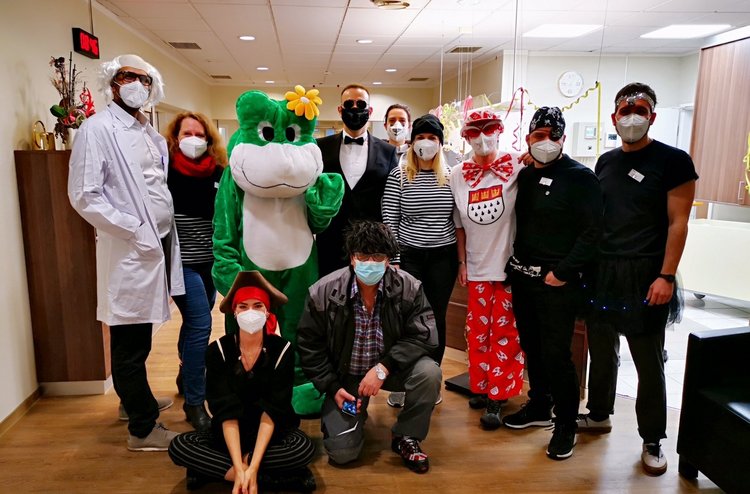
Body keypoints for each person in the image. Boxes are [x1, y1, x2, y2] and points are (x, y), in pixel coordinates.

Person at [577, 83, 698, 475]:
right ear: (614, 118)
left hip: (647, 274)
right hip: (603, 271)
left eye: (640, 110)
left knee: (648, 359)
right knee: (601, 347)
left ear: (652, 116)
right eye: (625, 111)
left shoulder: (674, 161)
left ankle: (652, 439)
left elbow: (678, 223)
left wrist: (666, 276)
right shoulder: (606, 162)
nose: (632, 117)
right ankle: (599, 414)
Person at [68, 54, 184, 451]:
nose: (137, 84)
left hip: (157, 243)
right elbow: (84, 195)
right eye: (128, 76)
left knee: (140, 336)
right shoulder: (97, 129)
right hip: (131, 248)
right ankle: (142, 428)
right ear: (113, 82)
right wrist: (133, 228)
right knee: (129, 342)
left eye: (144, 79)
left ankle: (134, 401)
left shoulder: (146, 131)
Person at [297, 221, 441, 473]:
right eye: (362, 256)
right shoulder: (323, 292)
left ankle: (407, 435)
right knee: (342, 453)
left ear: (388, 260)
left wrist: (383, 367)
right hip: (346, 378)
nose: (369, 262)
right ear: (352, 258)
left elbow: (424, 335)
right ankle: (353, 416)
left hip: (392, 368)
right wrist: (332, 387)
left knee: (429, 373)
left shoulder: (409, 287)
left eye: (377, 256)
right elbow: (309, 346)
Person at [502, 107, 603, 460]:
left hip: (557, 282)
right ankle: (539, 405)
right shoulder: (526, 174)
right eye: (539, 135)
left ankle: (566, 423)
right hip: (523, 278)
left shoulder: (581, 178)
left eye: (553, 136)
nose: (546, 142)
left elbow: (592, 232)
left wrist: (562, 272)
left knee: (557, 354)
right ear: (528, 138)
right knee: (531, 346)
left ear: (563, 139)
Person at [169, 271, 316, 493]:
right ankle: (258, 477)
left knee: (302, 448)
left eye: (258, 306)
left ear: (267, 312)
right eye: (243, 306)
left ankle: (221, 472)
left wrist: (252, 465)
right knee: (180, 445)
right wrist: (239, 467)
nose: (250, 312)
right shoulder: (218, 351)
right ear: (234, 312)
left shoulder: (282, 350)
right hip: (229, 431)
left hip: (270, 431)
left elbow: (273, 410)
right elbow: (226, 411)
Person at [449, 109, 525, 430]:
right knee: (477, 333)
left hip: (507, 267)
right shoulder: (457, 174)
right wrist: (462, 263)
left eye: (488, 129)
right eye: (474, 131)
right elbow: (459, 225)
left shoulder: (517, 164)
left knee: (504, 334)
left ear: (499, 130)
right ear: (466, 137)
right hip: (477, 266)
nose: (482, 137)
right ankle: (481, 386)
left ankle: (498, 395)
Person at [382, 114, 457, 408]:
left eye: (432, 138)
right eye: (421, 138)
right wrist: (395, 259)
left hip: (443, 257)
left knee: (436, 318)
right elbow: (390, 218)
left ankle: (430, 381)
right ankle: (402, 381)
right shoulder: (399, 175)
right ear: (412, 142)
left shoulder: (451, 176)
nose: (426, 143)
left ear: (440, 143)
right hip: (408, 256)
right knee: (405, 319)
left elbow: (458, 218)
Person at [164, 112, 228, 432]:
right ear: (175, 138)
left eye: (199, 134)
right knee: (201, 323)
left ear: (209, 139)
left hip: (209, 264)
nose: (193, 139)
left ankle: (184, 367)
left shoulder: (218, 172)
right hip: (181, 264)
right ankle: (194, 402)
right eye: (187, 133)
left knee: (193, 322)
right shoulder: (164, 171)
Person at [315, 84, 399, 277]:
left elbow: (393, 201)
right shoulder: (320, 147)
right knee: (330, 291)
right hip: (330, 239)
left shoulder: (388, 151)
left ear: (370, 110)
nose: (354, 108)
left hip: (372, 244)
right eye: (348, 104)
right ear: (340, 110)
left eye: (360, 104)